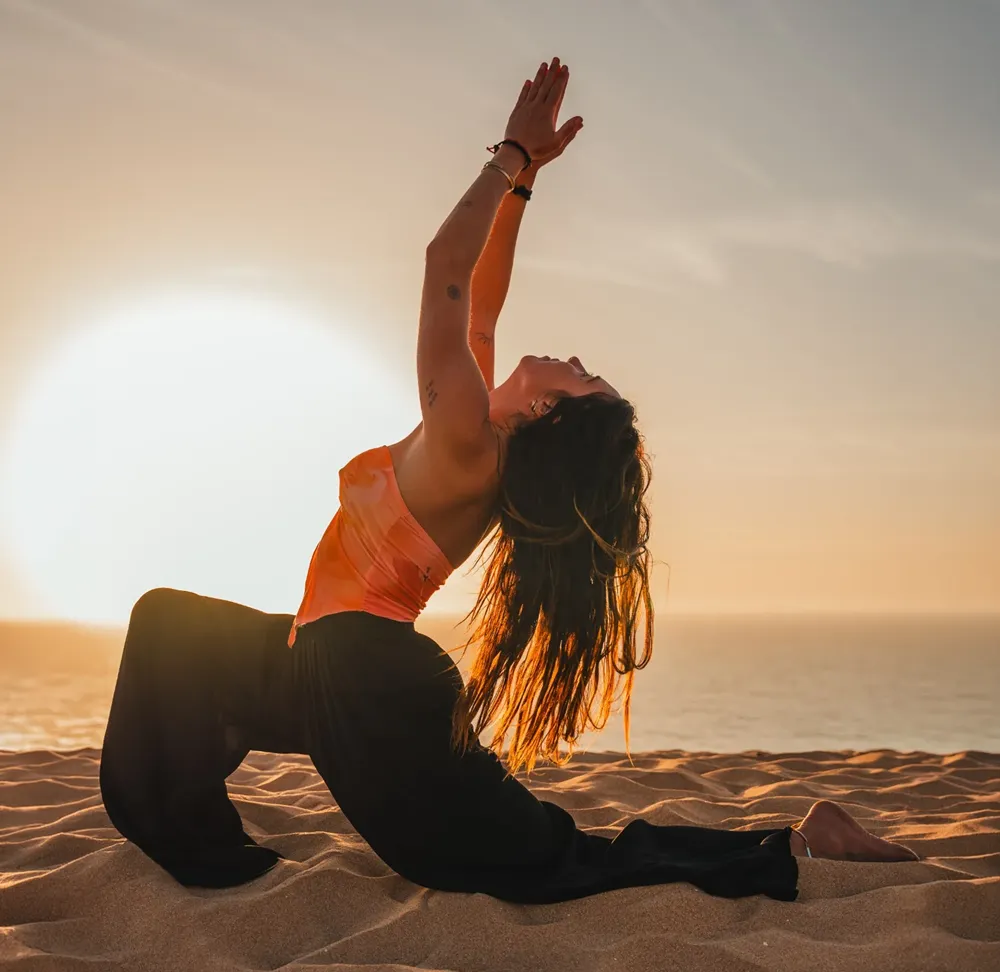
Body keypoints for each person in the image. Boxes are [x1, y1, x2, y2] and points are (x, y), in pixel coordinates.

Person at [99, 57, 918, 902]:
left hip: (364, 676)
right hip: (324, 653)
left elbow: (441, 269)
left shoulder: (463, 439)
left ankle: (800, 842)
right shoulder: (478, 426)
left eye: (581, 377)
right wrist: (525, 195)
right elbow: (480, 306)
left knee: (550, 862)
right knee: (168, 628)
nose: (572, 358)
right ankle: (198, 841)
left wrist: (511, 158)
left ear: (548, 417)